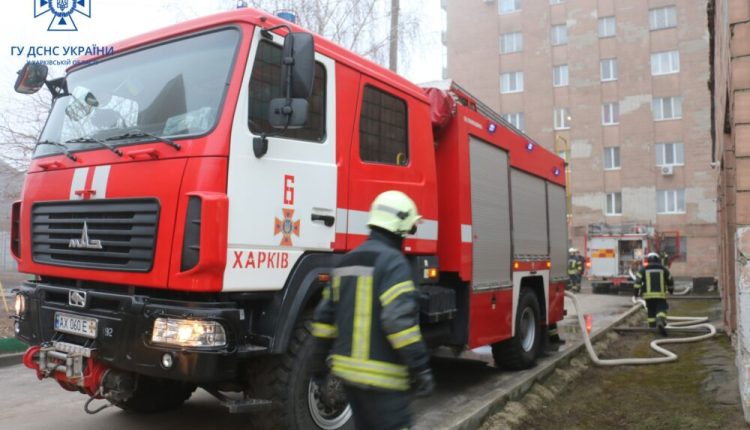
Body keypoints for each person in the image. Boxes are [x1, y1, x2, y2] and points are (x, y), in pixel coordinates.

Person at [310, 190, 435, 430]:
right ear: (400, 227)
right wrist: (420, 367)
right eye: (410, 229)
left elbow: (323, 320)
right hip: (385, 382)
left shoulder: (346, 262)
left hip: (349, 379)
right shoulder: (394, 263)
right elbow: (399, 324)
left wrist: (317, 367)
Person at [634, 252, 674, 336]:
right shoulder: (663, 269)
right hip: (660, 296)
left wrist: (636, 294)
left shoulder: (643, 269)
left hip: (648, 297)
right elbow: (670, 280)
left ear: (648, 260)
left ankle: (652, 327)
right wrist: (671, 290)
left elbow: (637, 283)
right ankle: (660, 321)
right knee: (661, 309)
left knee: (651, 311)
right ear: (658, 259)